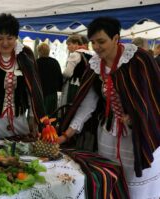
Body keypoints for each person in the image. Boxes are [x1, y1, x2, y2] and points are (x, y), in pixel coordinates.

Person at [59, 17, 160, 199]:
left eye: (101, 41)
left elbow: (154, 98)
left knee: (136, 187)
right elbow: (87, 105)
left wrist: (137, 117)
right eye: (93, 42)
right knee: (110, 180)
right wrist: (67, 134)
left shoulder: (139, 60)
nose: (96, 47)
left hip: (138, 135)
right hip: (107, 134)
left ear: (115, 38)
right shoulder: (95, 65)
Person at [60, 35, 92, 106]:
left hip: (74, 85)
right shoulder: (88, 53)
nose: (68, 47)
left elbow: (67, 73)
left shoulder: (75, 55)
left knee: (70, 107)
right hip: (85, 84)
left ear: (76, 44)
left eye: (69, 44)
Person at [36, 42, 63, 115]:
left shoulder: (35, 63)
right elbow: (60, 77)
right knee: (50, 115)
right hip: (52, 93)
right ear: (48, 51)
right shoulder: (55, 62)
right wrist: (59, 88)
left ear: (39, 52)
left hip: (39, 93)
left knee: (38, 115)